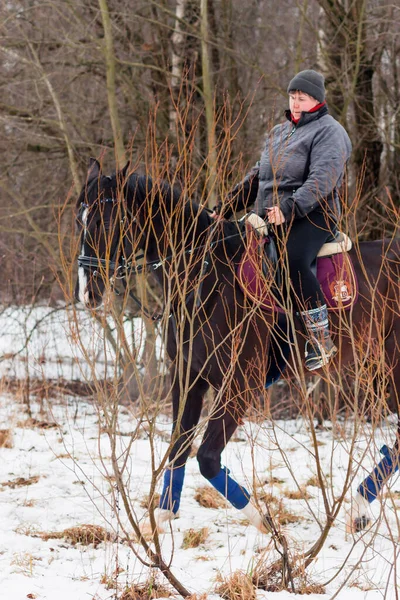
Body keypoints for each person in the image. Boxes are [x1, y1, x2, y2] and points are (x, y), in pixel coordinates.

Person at [214, 69, 352, 371]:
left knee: (292, 260)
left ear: (317, 100)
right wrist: (224, 209)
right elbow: (257, 177)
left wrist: (289, 208)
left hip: (313, 215)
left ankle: (320, 339)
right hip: (270, 215)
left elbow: (322, 179)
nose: (295, 104)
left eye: (302, 99)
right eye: (292, 98)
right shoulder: (279, 132)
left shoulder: (330, 132)